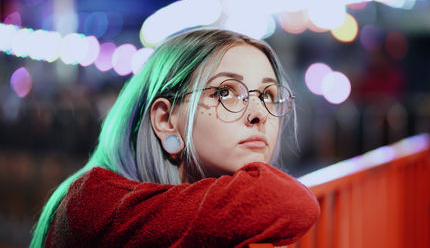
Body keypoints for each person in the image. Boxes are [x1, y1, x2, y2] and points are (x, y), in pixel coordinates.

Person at [31, 29, 320, 248]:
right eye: (225, 92)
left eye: (269, 95)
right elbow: (291, 201)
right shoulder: (93, 201)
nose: (259, 114)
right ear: (165, 120)